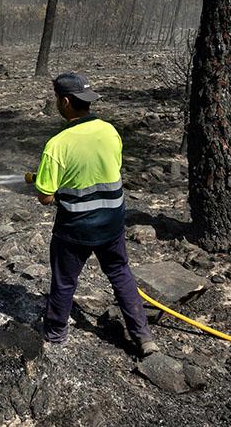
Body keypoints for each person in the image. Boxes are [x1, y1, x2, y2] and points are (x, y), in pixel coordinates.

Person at [32, 72, 158, 356]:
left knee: (65, 281)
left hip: (75, 230)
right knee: (120, 273)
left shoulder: (57, 145)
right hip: (112, 223)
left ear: (64, 101)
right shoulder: (110, 131)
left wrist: (48, 179)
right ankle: (143, 336)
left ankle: (54, 334)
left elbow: (45, 197)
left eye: (56, 100)